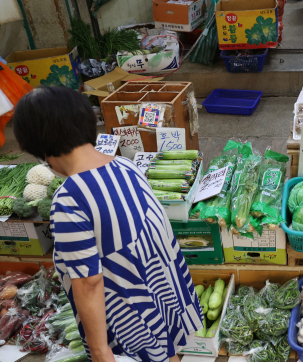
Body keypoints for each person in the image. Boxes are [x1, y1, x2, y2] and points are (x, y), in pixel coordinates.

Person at [12, 86, 203, 362]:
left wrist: (101, 352)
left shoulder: (70, 199)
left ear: (38, 145)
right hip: (163, 299)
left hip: (131, 319)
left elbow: (89, 281)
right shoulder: (126, 166)